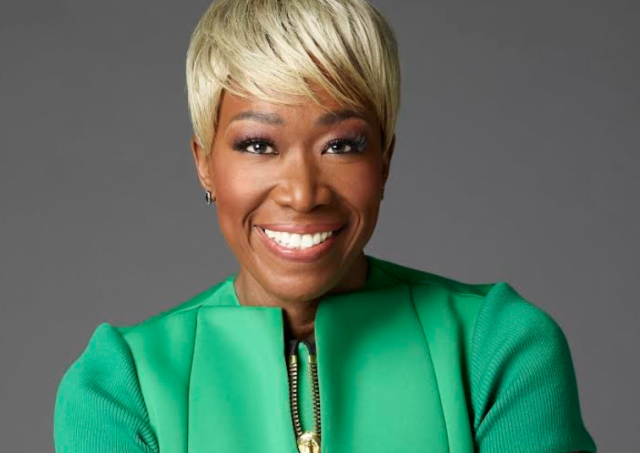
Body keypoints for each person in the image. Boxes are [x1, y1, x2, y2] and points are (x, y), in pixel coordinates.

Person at [53, 0, 598, 452]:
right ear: (205, 164)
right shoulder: (121, 386)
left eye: (341, 145)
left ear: (384, 161)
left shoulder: (497, 349)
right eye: (257, 145)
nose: (302, 193)